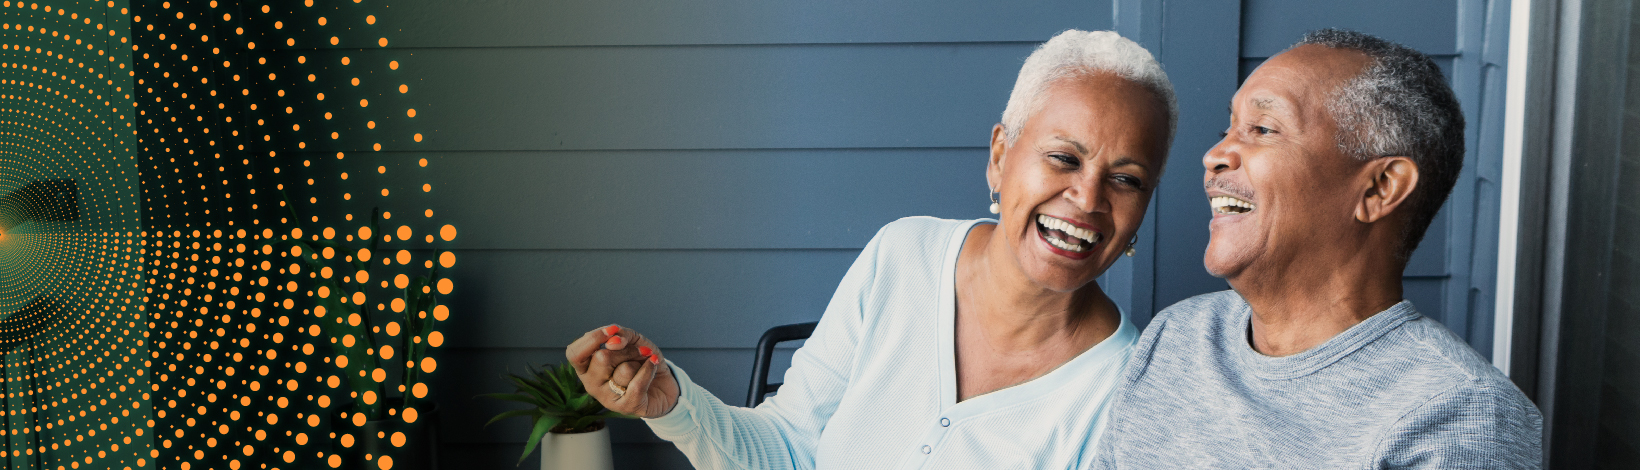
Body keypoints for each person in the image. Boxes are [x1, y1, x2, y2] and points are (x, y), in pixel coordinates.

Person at [564, 30, 1176, 469]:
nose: (1089, 198)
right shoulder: (901, 257)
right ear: (999, 156)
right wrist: (675, 406)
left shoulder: (1125, 388)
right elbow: (787, 447)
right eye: (1063, 158)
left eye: (1126, 179)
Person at [1092, 29, 1542, 468]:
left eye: (1263, 129)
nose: (1215, 154)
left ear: (1379, 189)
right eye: (1228, 128)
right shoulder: (1179, 337)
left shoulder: (1458, 415)